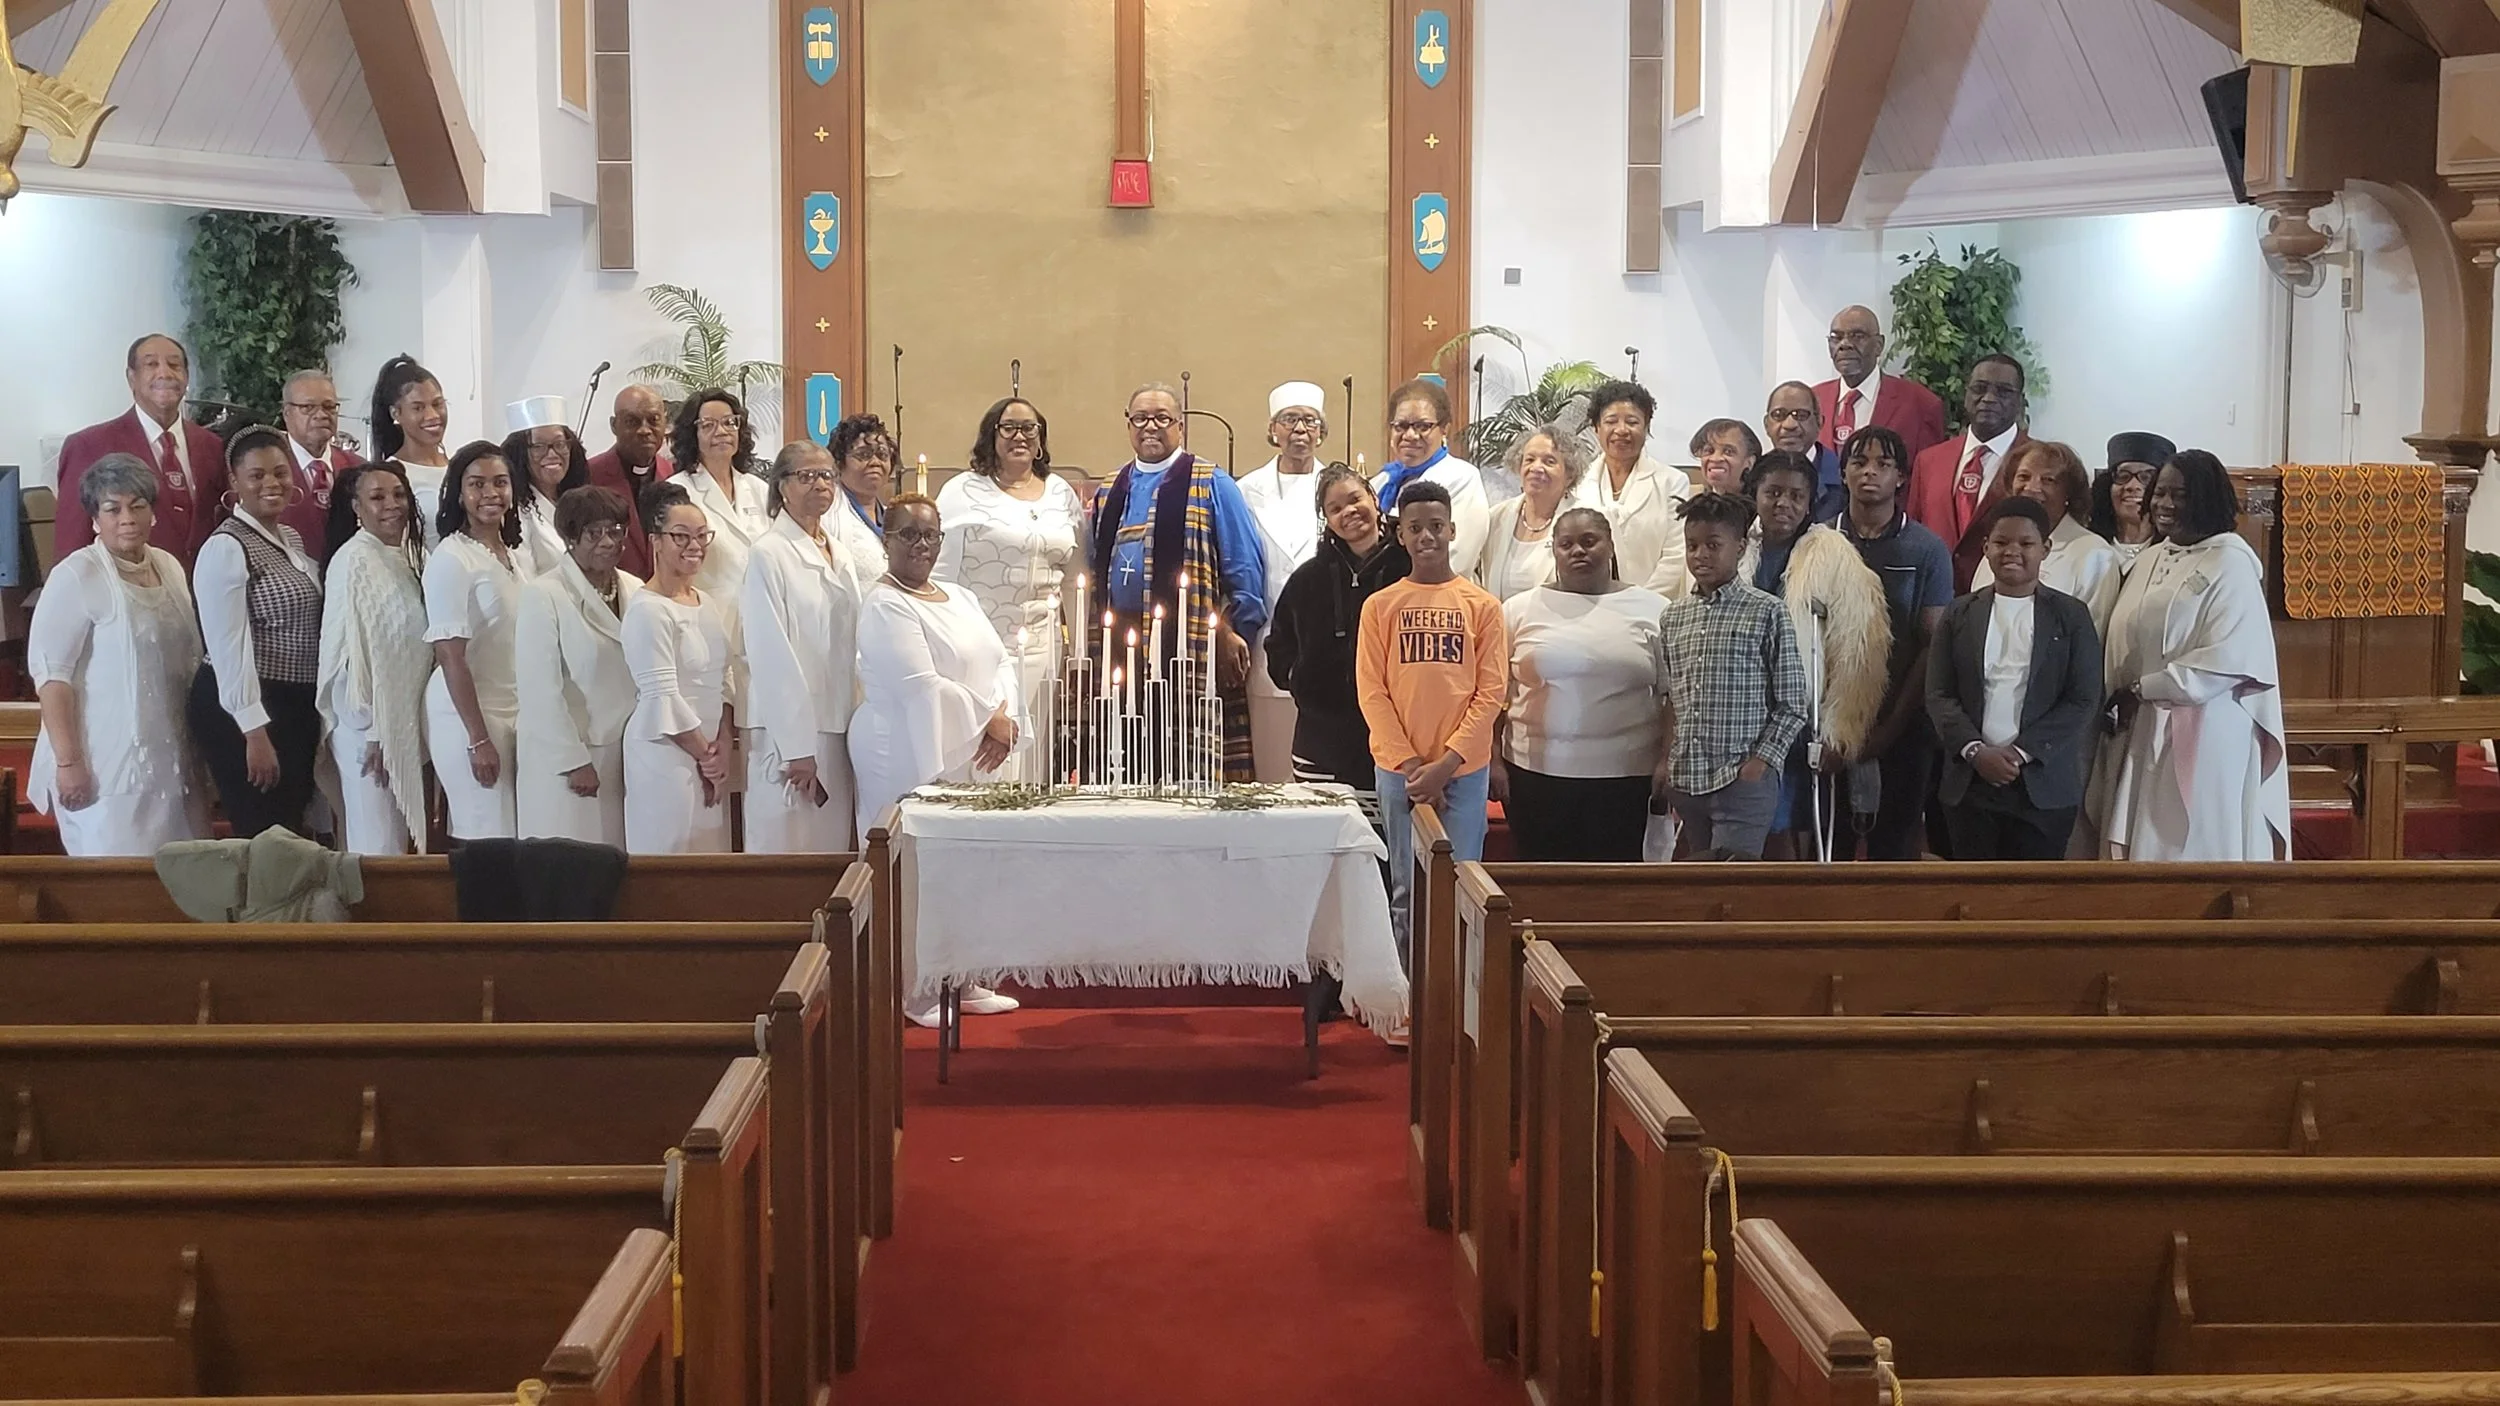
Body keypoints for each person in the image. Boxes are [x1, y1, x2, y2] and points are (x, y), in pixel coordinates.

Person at [850, 494, 1024, 1025]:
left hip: (969, 746)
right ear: (886, 540)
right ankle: (914, 989)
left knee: (965, 866)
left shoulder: (959, 595)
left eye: (930, 535)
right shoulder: (885, 604)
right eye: (908, 535)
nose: (921, 546)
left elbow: (1001, 662)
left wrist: (1004, 717)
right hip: (904, 745)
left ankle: (963, 975)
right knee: (915, 868)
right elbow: (918, 687)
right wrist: (987, 721)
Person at [2090, 450, 2290, 861]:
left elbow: (2227, 657)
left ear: (2207, 499)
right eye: (2160, 492)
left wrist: (2143, 687)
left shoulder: (2230, 564)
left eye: (2180, 495)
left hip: (2209, 724)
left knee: (2194, 839)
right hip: (2142, 721)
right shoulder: (2150, 559)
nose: (2165, 504)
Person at [1358, 480, 1506, 990]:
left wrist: (1445, 764)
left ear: (1452, 530)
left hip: (1462, 771)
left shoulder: (1481, 606)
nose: (1427, 537)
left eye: (1436, 527)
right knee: (1407, 886)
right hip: (1400, 771)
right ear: (1401, 534)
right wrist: (1410, 765)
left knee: (1464, 883)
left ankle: (1463, 995)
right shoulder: (1381, 606)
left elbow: (1491, 693)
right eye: (1415, 528)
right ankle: (1410, 993)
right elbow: (1372, 692)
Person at [29, 452, 211, 854]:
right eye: (112, 509)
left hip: (173, 756)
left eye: (137, 506)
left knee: (188, 878)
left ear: (153, 513)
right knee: (118, 882)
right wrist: (69, 763)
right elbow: (52, 678)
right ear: (95, 519)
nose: (126, 517)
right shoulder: (77, 575)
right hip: (104, 766)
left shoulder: (169, 566)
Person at [1087, 383, 1268, 781]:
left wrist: (1235, 628)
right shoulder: (1109, 489)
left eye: (1162, 418)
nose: (1150, 427)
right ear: (1128, 424)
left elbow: (1243, 565)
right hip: (1123, 645)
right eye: (1140, 418)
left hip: (1192, 646)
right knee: (1128, 757)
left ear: (1180, 425)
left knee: (1186, 766)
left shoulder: (1211, 482)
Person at [1926, 497, 2104, 860]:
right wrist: (1976, 751)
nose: (2012, 552)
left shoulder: (2070, 616)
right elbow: (1938, 693)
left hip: (2043, 785)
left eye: (2026, 543)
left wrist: (2020, 753)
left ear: (2045, 548)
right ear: (1986, 547)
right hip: (1970, 783)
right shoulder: (1959, 612)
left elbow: (2083, 698)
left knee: (2033, 903)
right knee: (1972, 901)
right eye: (2002, 542)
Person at [1495, 508, 1669, 861]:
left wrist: (1666, 760)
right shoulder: (1517, 610)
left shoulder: (1655, 609)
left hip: (1626, 777)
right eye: (1566, 544)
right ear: (1554, 551)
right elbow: (1493, 693)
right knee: (1544, 883)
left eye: (1589, 541)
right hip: (1534, 775)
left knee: (1614, 888)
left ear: (1610, 547)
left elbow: (1674, 698)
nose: (1578, 551)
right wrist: (1492, 760)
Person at [1743, 452, 1892, 861]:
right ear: (1753, 493)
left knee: (1789, 836)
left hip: (1798, 726)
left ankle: (1790, 920)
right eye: (1772, 492)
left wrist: (1839, 731)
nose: (1783, 504)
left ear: (1811, 502)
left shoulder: (1832, 553)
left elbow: (1859, 651)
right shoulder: (1735, 544)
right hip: (1740, 724)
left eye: (1796, 495)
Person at [936, 397, 1084, 786]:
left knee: (1033, 761)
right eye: (1009, 427)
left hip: (1043, 645)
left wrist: (1080, 649)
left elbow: (1076, 578)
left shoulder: (1060, 492)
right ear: (991, 435)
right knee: (986, 759)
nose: (1019, 436)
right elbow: (940, 574)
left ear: (1040, 439)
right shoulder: (961, 491)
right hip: (980, 645)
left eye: (1029, 428)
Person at [1655, 492, 1808, 861]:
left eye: (1713, 545)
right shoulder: (1674, 617)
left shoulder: (1767, 611)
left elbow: (1793, 703)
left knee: (1732, 884)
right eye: (1692, 546)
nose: (1700, 555)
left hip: (1741, 778)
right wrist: (1668, 760)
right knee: (1698, 884)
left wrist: (1760, 763)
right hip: (1689, 778)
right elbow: (1674, 699)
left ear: (1739, 548)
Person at [189, 427, 324, 841]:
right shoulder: (227, 547)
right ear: (234, 482)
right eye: (257, 475)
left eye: (281, 473)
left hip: (293, 703)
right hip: (246, 707)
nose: (272, 484)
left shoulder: (291, 538)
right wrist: (253, 731)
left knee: (291, 830)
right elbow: (227, 646)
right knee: (264, 835)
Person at [1827, 426, 1954, 860]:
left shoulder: (1927, 549)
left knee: (1894, 848)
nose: (1870, 473)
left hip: (1903, 720)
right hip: (1830, 727)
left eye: (1883, 465)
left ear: (1901, 477)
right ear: (1843, 473)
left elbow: (1931, 644)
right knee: (1830, 846)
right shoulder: (1820, 542)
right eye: (1859, 463)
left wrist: (1888, 729)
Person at [1267, 465, 1411, 815]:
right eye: (1335, 508)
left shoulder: (1410, 570)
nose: (1348, 512)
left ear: (1374, 499)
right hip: (1322, 742)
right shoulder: (1307, 580)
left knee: (1392, 854)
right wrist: (1300, 679)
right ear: (1327, 519)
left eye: (1355, 499)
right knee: (1328, 849)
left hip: (1396, 743)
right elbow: (1279, 649)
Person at [745, 442, 865, 853]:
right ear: (782, 487)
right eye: (807, 476)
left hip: (837, 722)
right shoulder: (768, 553)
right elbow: (769, 652)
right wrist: (796, 747)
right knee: (788, 850)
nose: (820, 484)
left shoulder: (840, 554)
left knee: (831, 855)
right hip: (788, 733)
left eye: (827, 475)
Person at [317, 461, 433, 854]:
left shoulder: (415, 556)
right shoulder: (353, 560)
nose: (391, 505)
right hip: (365, 729)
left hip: (402, 722)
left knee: (398, 848)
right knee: (377, 847)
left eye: (399, 494)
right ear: (356, 507)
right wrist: (375, 731)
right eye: (377, 497)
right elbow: (350, 660)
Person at [515, 485, 641, 846]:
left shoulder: (635, 587)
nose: (607, 541)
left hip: (621, 753)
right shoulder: (544, 594)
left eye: (615, 531)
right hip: (568, 760)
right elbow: (539, 690)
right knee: (570, 867)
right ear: (570, 537)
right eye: (593, 532)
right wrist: (572, 760)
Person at [424, 440, 533, 842]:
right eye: (477, 484)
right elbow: (451, 656)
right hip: (466, 716)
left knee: (517, 836)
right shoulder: (452, 559)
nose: (490, 493)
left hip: (511, 707)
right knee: (487, 835)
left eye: (500, 483)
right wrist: (478, 738)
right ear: (459, 492)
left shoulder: (515, 555)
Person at [624, 485, 738, 855]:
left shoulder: (704, 602)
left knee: (708, 861)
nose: (695, 545)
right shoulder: (647, 609)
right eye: (681, 536)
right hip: (664, 753)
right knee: (671, 855)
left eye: (702, 536)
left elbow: (724, 680)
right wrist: (706, 756)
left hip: (707, 754)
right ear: (655, 541)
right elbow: (663, 696)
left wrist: (723, 746)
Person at [54, 334, 229, 568]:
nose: (165, 373)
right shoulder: (89, 446)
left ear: (186, 377)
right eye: (151, 364)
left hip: (206, 593)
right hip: (128, 593)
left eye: (175, 365)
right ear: (131, 378)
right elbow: (71, 545)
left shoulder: (212, 445)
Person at [1238, 382, 1333, 783]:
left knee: (1321, 769)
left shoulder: (1340, 488)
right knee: (1273, 769)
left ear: (1321, 431)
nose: (1300, 430)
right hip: (1268, 637)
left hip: (1327, 641)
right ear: (1272, 429)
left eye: (1309, 420)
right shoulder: (1245, 491)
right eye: (1289, 419)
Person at [1908, 353, 2031, 589]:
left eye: (2004, 391)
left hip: (2002, 600)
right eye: (1979, 388)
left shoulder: (2036, 461)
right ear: (1966, 394)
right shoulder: (1929, 460)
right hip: (1933, 601)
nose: (1989, 398)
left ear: (2020, 401)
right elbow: (1914, 533)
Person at [1570, 380, 1690, 596]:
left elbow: (1676, 554)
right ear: (1597, 428)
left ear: (1646, 428)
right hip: (1588, 604)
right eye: (1611, 421)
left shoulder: (1672, 481)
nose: (1621, 430)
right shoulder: (1578, 482)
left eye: (1632, 422)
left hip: (1654, 607)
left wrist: (1639, 602)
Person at [1997, 439, 2122, 630]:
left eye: (2048, 480)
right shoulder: (1998, 544)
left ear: (2069, 493)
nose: (2032, 488)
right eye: (2023, 477)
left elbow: (2091, 636)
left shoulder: (2095, 555)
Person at [1373, 378, 1493, 571]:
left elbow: (1457, 557)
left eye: (1422, 426)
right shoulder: (1381, 482)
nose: (1410, 435)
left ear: (1444, 429)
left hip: (1436, 595)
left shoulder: (1461, 477)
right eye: (1400, 426)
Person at [672, 389, 771, 604]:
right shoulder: (678, 491)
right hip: (708, 613)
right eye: (708, 425)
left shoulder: (759, 489)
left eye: (729, 422)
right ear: (692, 435)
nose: (722, 431)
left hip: (762, 610)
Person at [1816, 306, 1949, 465]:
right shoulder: (1814, 399)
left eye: (1857, 336)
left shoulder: (1920, 403)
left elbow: (1927, 474)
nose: (1844, 345)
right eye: (1836, 337)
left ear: (1879, 345)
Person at [1474, 425, 1585, 601]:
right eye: (1529, 459)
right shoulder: (1496, 517)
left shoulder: (1584, 521)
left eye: (1549, 462)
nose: (1536, 468)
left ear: (1569, 475)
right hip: (1501, 626)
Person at [586, 385, 672, 578]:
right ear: (614, 426)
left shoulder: (674, 475)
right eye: (632, 421)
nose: (644, 430)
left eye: (653, 420)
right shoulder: (589, 476)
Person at [368, 355, 454, 549]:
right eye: (418, 408)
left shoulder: (458, 466)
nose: (432, 416)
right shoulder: (392, 475)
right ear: (396, 413)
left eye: (438, 404)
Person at [278, 369, 361, 559]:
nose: (322, 415)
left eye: (329, 406)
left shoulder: (357, 468)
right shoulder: (268, 473)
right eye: (308, 407)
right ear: (287, 413)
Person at [504, 396, 589, 578]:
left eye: (560, 444)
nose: (552, 454)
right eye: (538, 446)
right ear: (520, 454)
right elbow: (525, 581)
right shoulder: (515, 513)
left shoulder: (580, 502)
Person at [2092, 431, 2174, 568]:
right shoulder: (2091, 546)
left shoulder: (2174, 550)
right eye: (2123, 476)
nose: (2132, 486)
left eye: (2146, 477)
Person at [1764, 381, 1845, 521]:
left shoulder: (1843, 481)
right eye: (1779, 414)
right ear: (1766, 424)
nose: (1789, 425)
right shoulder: (1754, 478)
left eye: (1801, 415)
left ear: (1819, 422)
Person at [828, 412, 897, 570]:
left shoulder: (891, 516)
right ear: (839, 463)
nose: (875, 462)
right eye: (863, 455)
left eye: (882, 454)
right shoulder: (827, 516)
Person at [1690, 418, 1760, 496]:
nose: (1715, 459)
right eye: (1709, 451)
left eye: (1728, 452)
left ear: (1750, 462)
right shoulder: (1696, 504)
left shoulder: (1761, 505)